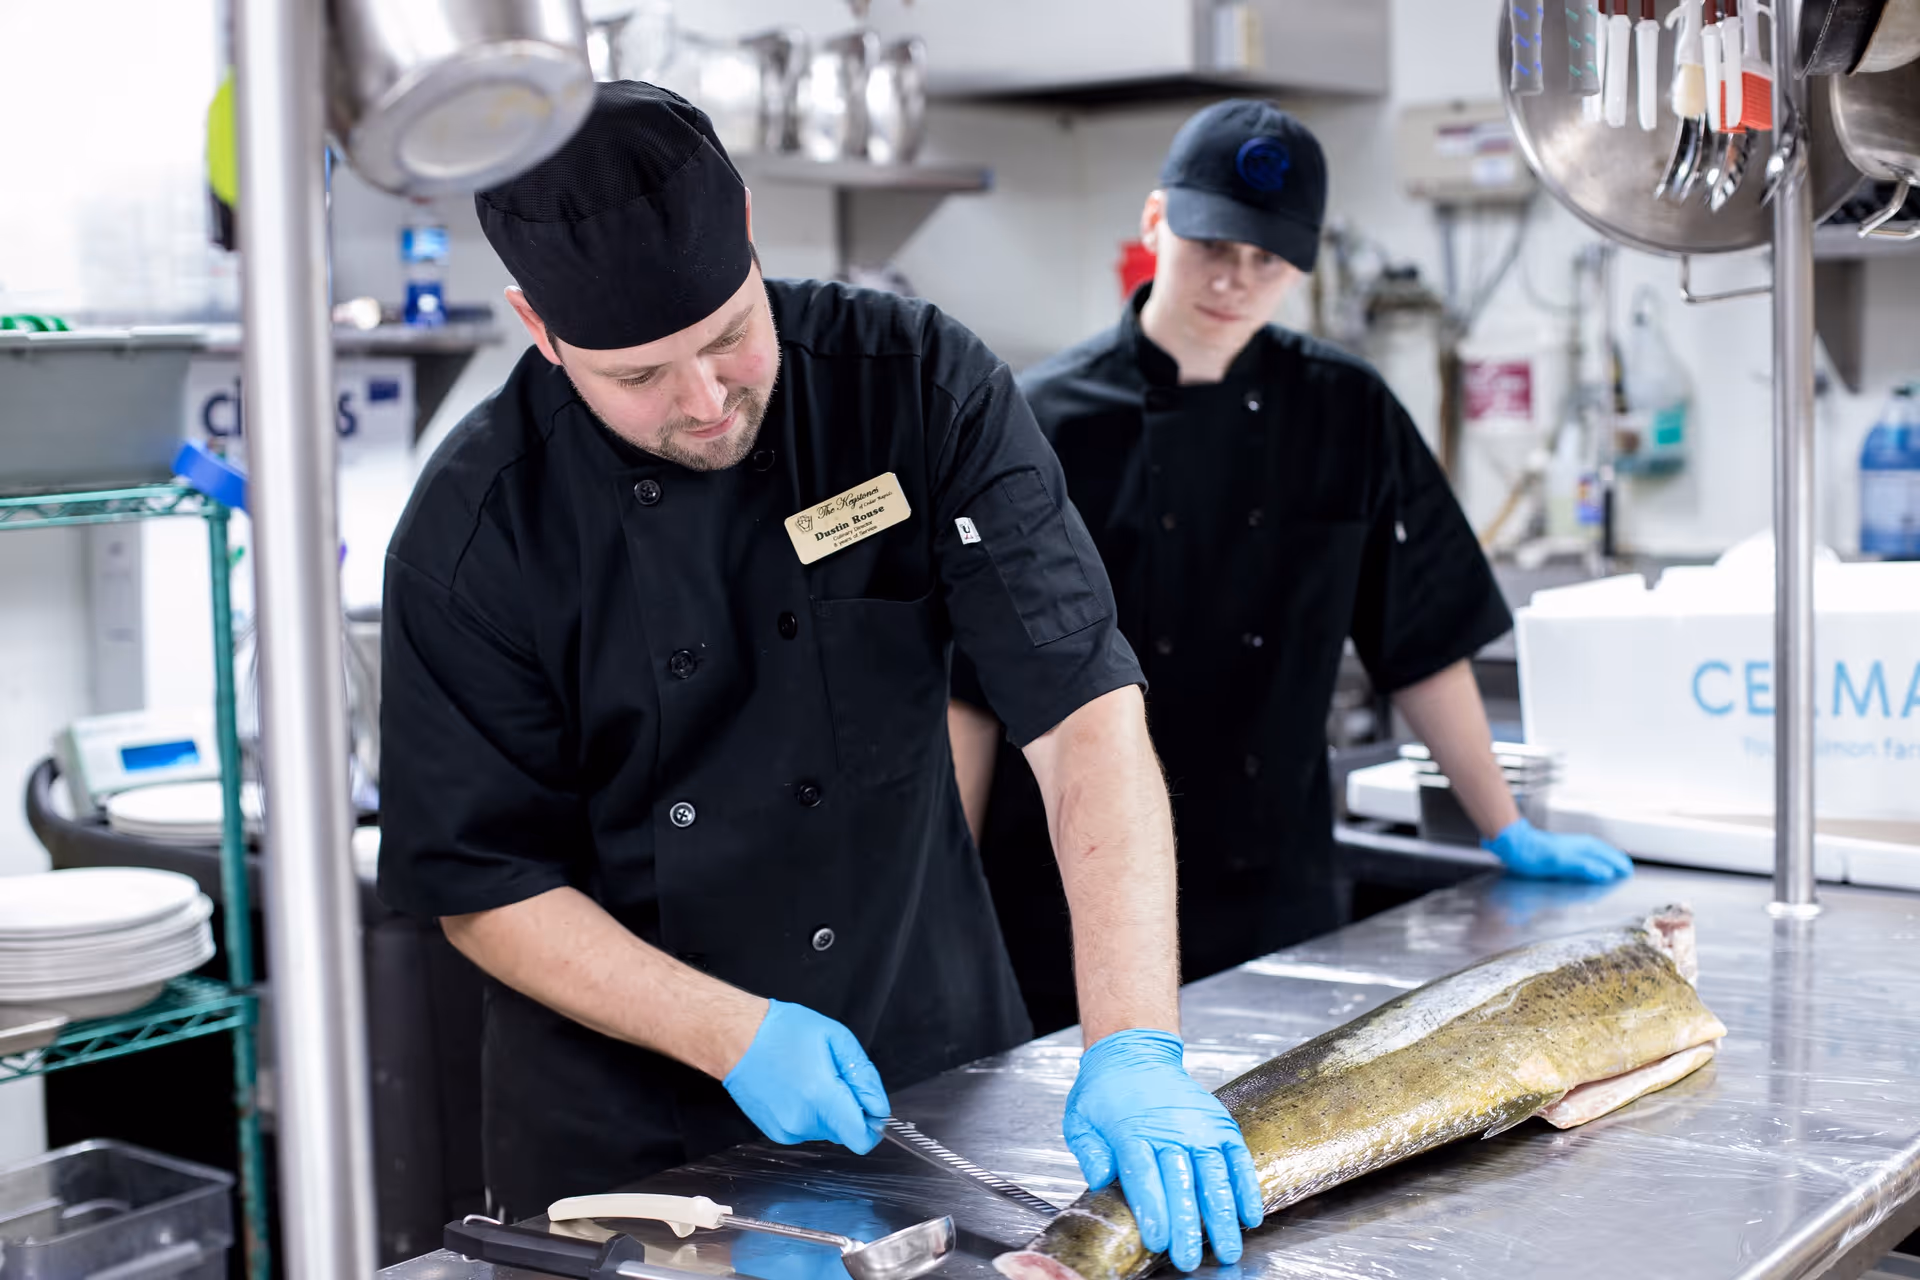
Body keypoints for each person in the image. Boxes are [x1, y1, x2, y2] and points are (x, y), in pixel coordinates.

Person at [377, 82, 1261, 1272]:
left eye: (727, 335)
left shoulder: (916, 386)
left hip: (934, 1075)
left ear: (749, 228)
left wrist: (1136, 1043)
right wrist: (729, 1029)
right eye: (639, 377)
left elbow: (1082, 715)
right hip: (627, 1157)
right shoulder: (477, 531)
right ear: (538, 327)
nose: (704, 398)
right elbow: (479, 883)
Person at [948, 100, 1633, 1036]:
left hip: (1274, 889)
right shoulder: (1037, 422)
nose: (1234, 281)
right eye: (1212, 248)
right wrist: (949, 893)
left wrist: (1500, 822)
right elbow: (971, 688)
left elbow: (1420, 635)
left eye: (1265, 261)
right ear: (1157, 224)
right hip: (1069, 896)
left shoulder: (1347, 412)